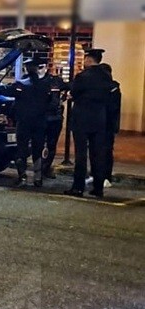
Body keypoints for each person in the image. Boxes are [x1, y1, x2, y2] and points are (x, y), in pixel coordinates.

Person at [0, 57, 53, 187]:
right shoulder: (46, 85)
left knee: (21, 149)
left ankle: (22, 176)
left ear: (26, 68)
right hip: (40, 122)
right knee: (38, 150)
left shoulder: (21, 84)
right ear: (37, 69)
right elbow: (50, 103)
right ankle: (38, 178)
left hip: (24, 122)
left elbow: (5, 90)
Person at [65, 48, 113, 198]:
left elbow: (73, 92)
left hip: (82, 120)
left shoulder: (83, 76)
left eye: (85, 58)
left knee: (81, 154)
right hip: (99, 120)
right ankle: (98, 188)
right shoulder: (106, 77)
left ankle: (78, 187)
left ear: (89, 59)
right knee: (97, 154)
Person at [40, 61, 69, 180]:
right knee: (38, 144)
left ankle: (46, 168)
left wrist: (63, 98)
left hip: (54, 118)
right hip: (39, 118)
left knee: (51, 144)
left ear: (46, 68)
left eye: (41, 67)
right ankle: (39, 169)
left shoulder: (55, 81)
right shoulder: (30, 80)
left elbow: (69, 87)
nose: (39, 70)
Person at [100, 63, 121, 187]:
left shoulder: (112, 88)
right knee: (99, 151)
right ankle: (99, 175)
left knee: (106, 151)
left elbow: (113, 108)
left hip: (107, 124)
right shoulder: (111, 87)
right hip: (104, 123)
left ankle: (106, 176)